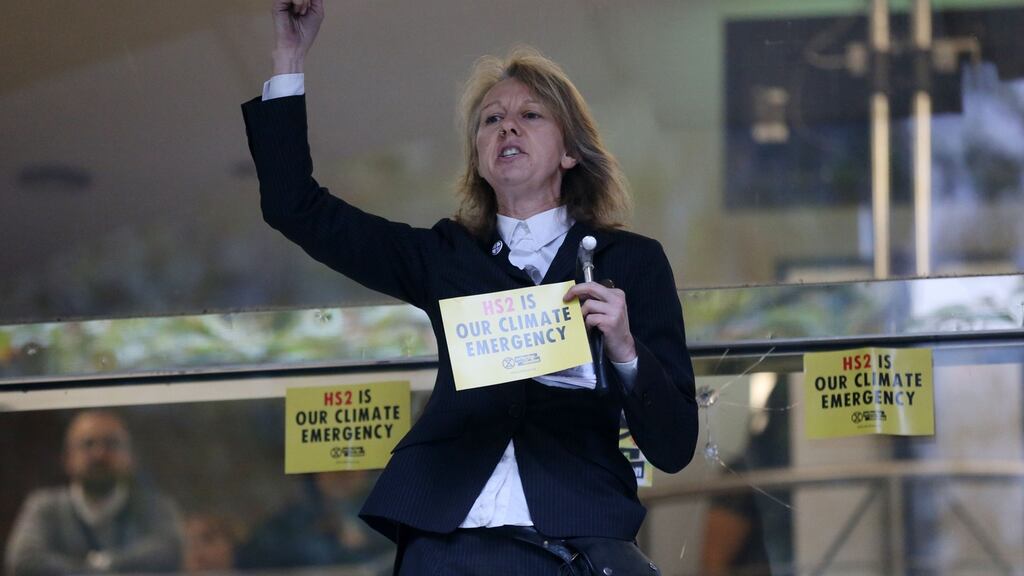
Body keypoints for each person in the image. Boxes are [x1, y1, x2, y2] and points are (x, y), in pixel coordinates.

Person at [242, 1, 698, 573]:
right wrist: (289, 56)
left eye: (531, 115)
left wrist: (627, 353)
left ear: (569, 152)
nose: (506, 125)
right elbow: (296, 207)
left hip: (569, 547)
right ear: (480, 161)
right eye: (490, 119)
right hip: (446, 542)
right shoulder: (447, 257)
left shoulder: (631, 262)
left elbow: (676, 447)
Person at [4, 410, 184, 576]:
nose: (99, 454)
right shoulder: (45, 506)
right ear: (68, 458)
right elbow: (24, 561)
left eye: (111, 444)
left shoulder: (154, 506)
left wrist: (105, 563)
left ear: (130, 458)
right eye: (87, 444)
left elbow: (170, 552)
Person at [235, 471, 393, 573]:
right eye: (330, 466)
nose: (342, 472)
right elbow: (252, 560)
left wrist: (367, 542)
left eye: (354, 465)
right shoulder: (290, 521)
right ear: (314, 475)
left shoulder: (392, 518)